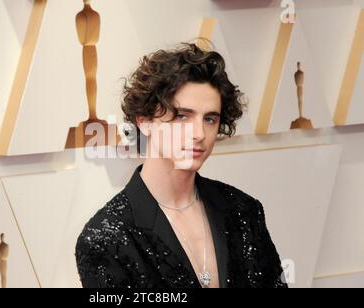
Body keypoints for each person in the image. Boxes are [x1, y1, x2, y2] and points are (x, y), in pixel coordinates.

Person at [75, 43, 287, 288]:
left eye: (209, 119)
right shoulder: (107, 238)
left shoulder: (244, 210)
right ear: (145, 122)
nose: (199, 133)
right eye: (182, 116)